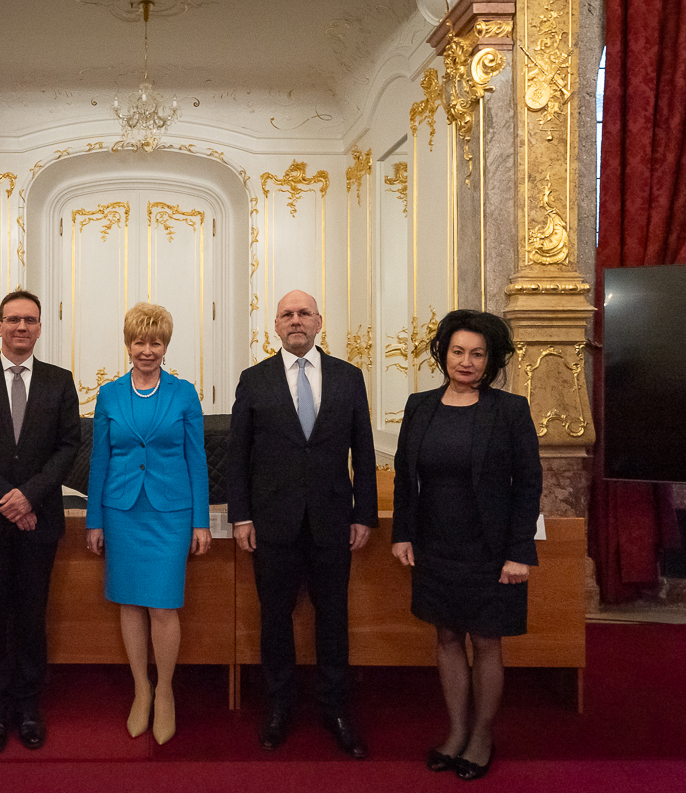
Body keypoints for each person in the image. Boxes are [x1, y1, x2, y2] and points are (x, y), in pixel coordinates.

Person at [390, 309, 542, 781]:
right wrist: (402, 533)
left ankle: (482, 735)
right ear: (444, 354)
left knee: (487, 640)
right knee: (447, 637)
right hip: (435, 545)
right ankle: (456, 730)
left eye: (477, 354)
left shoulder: (510, 410)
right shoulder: (420, 406)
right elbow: (403, 477)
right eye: (458, 351)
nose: (466, 361)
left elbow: (529, 484)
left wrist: (519, 552)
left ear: (490, 360)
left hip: (491, 550)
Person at [227, 289, 377, 759]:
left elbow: (364, 452)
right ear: (275, 325)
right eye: (287, 314)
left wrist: (365, 513)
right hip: (273, 523)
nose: (296, 320)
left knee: (333, 618)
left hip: (333, 521)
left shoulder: (349, 377)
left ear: (318, 322)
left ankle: (335, 708)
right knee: (275, 619)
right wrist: (240, 515)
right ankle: (279, 706)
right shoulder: (254, 380)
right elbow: (238, 455)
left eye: (304, 313)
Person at [0, 290, 81, 754]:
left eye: (30, 319)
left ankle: (27, 706)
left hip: (38, 519)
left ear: (40, 327)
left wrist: (29, 496)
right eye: (13, 319)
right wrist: (6, 497)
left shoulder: (60, 381)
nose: (22, 326)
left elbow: (68, 446)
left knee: (30, 616)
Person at [85, 302, 210, 745]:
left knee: (162, 606)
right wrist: (95, 521)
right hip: (121, 512)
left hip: (170, 514)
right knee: (129, 604)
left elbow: (197, 459)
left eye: (155, 342)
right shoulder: (109, 395)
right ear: (128, 344)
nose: (147, 350)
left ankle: (166, 691)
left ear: (165, 346)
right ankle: (141, 689)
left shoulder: (184, 393)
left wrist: (200, 522)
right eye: (139, 341)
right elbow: (100, 460)